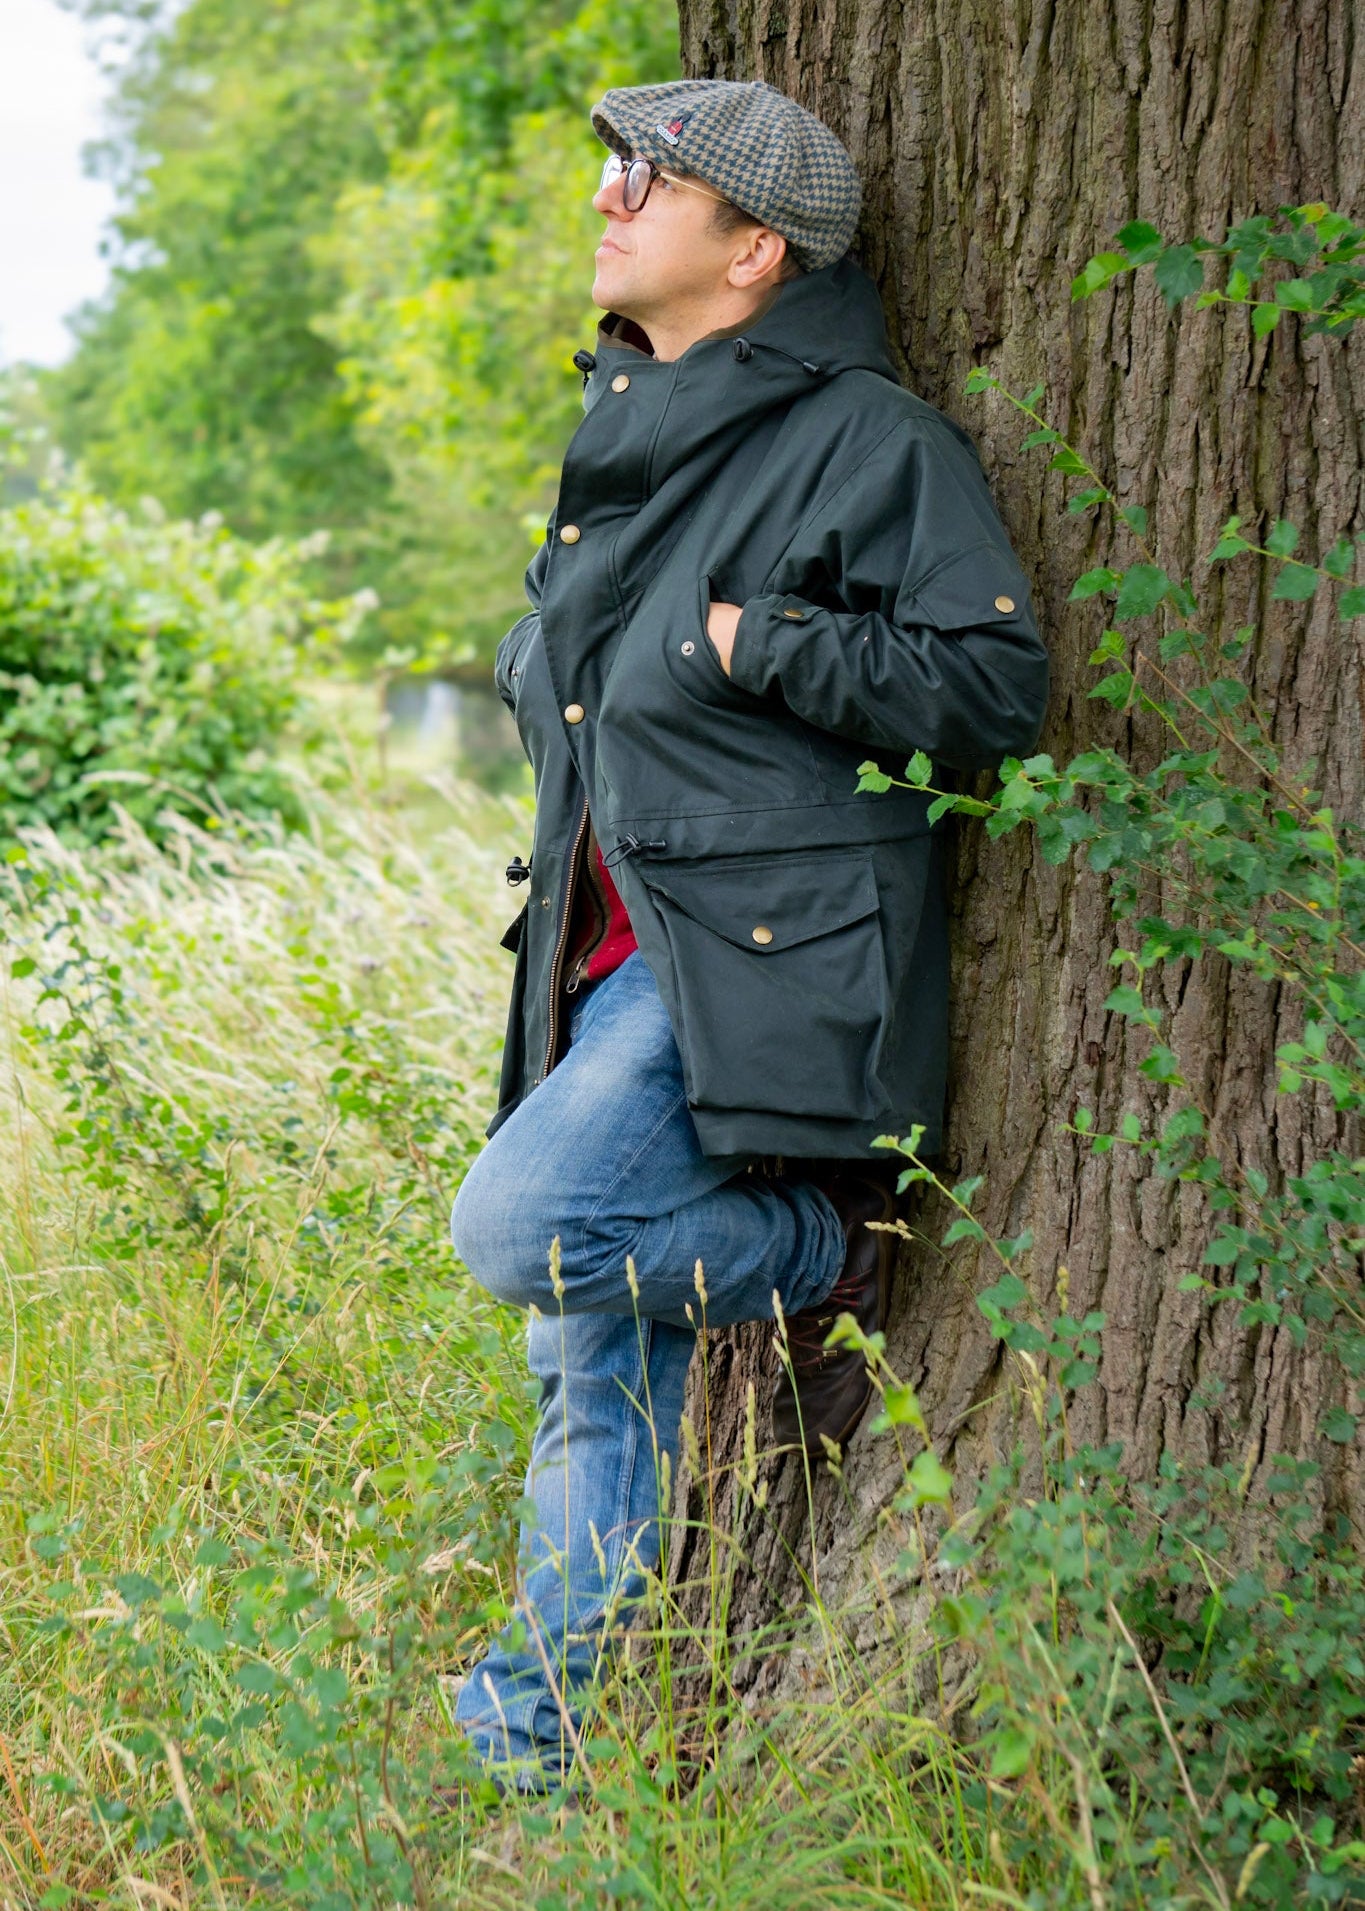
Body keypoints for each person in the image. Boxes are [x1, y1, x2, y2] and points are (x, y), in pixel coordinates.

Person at [447, 77, 1048, 1790]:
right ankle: (529, 1765)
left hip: (743, 962)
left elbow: (990, 689)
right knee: (590, 1398)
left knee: (530, 1229)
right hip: (604, 957)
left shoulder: (871, 439)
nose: (611, 195)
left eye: (653, 176)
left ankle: (822, 1261)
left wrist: (744, 636)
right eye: (614, 167)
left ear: (754, 247)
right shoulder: (641, 423)